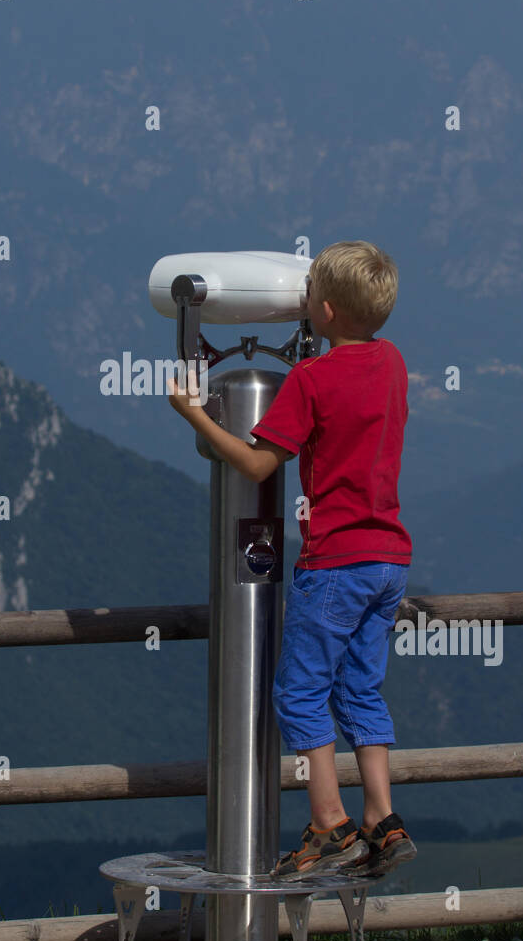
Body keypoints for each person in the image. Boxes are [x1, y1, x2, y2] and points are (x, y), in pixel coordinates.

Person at [167, 241, 416, 879]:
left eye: (309, 297)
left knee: (300, 693)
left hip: (335, 562)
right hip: (389, 559)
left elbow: (255, 462)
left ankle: (329, 822)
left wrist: (195, 415)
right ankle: (382, 820)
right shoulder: (391, 363)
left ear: (324, 310)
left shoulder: (310, 380)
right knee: (361, 689)